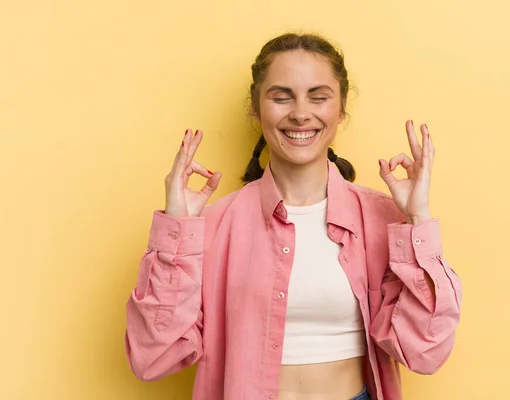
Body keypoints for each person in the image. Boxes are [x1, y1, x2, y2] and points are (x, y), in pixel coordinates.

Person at [125, 33, 462, 400]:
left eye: (318, 96)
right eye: (281, 96)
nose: (301, 113)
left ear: (341, 107)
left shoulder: (383, 220)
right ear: (256, 108)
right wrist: (177, 233)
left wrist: (417, 218)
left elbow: (425, 353)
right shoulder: (212, 225)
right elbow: (153, 358)